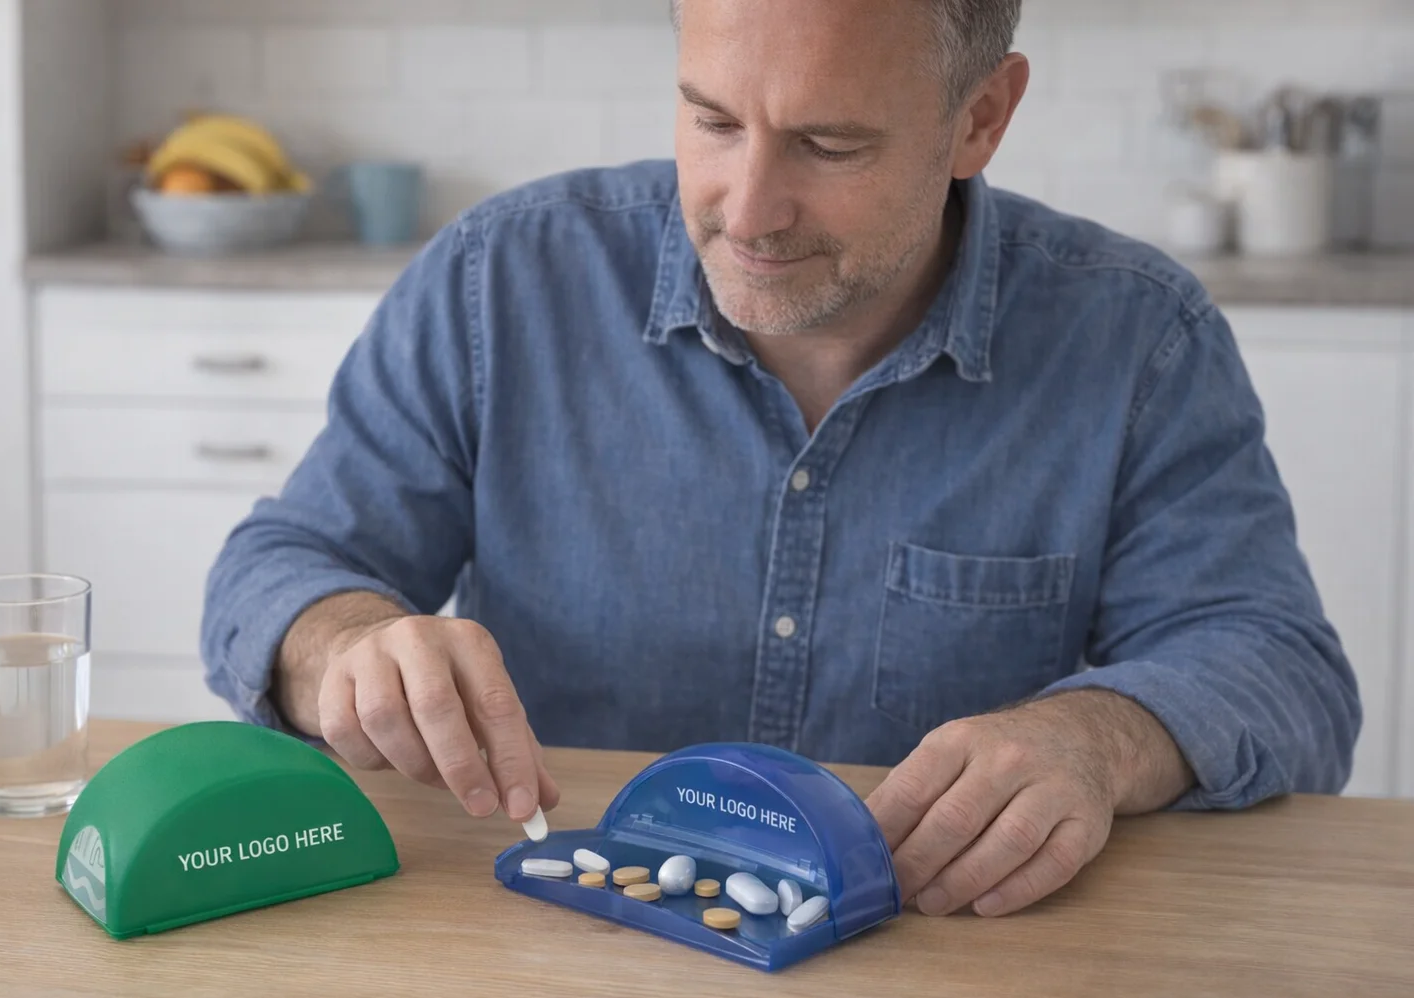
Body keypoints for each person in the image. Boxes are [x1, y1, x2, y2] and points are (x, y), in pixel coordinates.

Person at [200, 0, 1360, 919]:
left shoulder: (1137, 337)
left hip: (946, 966)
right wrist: (344, 642)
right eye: (711, 120)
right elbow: (283, 564)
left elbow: (1278, 667)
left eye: (829, 141)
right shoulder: (501, 281)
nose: (747, 208)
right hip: (545, 933)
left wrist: (1095, 740)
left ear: (981, 117)